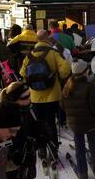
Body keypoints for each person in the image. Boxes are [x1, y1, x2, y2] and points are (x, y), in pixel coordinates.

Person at [0, 82, 43, 179]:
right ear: (13, 100)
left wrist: (38, 137)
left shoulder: (26, 109)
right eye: (25, 97)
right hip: (10, 169)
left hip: (23, 165)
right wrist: (13, 153)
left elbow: (28, 134)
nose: (29, 99)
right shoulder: (2, 115)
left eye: (30, 95)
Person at [20, 30, 71, 159]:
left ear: (37, 40)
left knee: (39, 124)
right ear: (47, 38)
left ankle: (41, 149)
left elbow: (22, 73)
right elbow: (65, 68)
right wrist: (59, 75)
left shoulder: (30, 55)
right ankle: (53, 148)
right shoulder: (53, 53)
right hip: (52, 95)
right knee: (51, 123)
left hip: (36, 97)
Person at [62, 59, 95, 179]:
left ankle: (82, 173)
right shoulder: (91, 87)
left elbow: (62, 105)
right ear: (85, 72)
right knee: (93, 142)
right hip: (91, 122)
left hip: (76, 124)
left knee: (79, 147)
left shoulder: (67, 87)